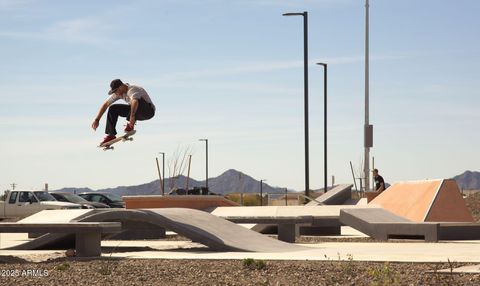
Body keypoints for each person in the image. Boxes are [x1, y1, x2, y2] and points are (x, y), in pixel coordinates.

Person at [92, 79, 156, 144]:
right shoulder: (118, 93)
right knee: (113, 108)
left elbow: (135, 101)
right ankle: (111, 135)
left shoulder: (132, 89)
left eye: (116, 91)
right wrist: (97, 120)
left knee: (135, 101)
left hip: (148, 112)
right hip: (137, 113)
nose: (116, 93)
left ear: (121, 86)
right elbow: (106, 104)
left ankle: (130, 125)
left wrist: (132, 116)